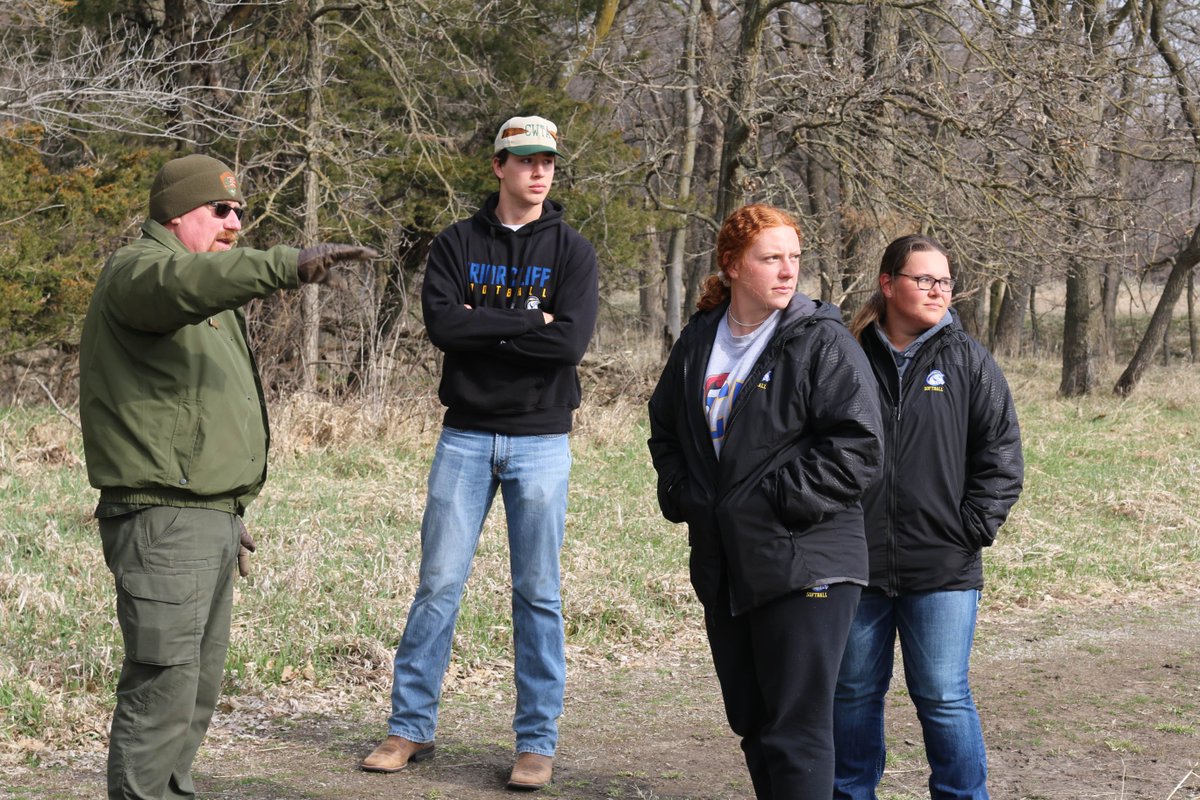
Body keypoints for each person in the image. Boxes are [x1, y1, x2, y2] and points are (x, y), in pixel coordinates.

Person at [78, 153, 377, 800]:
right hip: (162, 519)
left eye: (241, 210)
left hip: (205, 518)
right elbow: (182, 289)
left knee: (195, 690)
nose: (235, 222)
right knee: (162, 687)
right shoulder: (141, 275)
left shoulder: (204, 290)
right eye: (221, 210)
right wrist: (285, 264)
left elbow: (196, 412)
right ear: (175, 214)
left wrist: (227, 509)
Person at [360, 115, 599, 791]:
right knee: (438, 584)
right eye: (524, 160)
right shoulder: (455, 243)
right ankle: (410, 728)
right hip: (464, 434)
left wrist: (485, 326)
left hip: (543, 437)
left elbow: (570, 345)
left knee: (538, 594)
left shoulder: (573, 251)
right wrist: (532, 320)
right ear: (498, 165)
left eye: (547, 160)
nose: (538, 171)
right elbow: (444, 326)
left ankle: (535, 744)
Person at [647, 203, 884, 799]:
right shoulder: (700, 340)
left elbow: (859, 447)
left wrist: (773, 501)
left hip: (809, 558)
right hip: (728, 561)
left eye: (794, 258)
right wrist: (688, 498)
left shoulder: (819, 340)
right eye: (769, 258)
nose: (787, 271)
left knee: (797, 728)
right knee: (752, 720)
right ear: (730, 265)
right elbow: (666, 431)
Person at [833, 234, 1024, 800]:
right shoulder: (846, 356)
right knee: (852, 694)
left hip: (942, 566)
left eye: (945, 281)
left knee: (943, 695)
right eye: (924, 279)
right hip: (856, 561)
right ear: (888, 285)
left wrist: (968, 529)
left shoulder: (968, 360)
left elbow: (1002, 458)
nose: (938, 290)